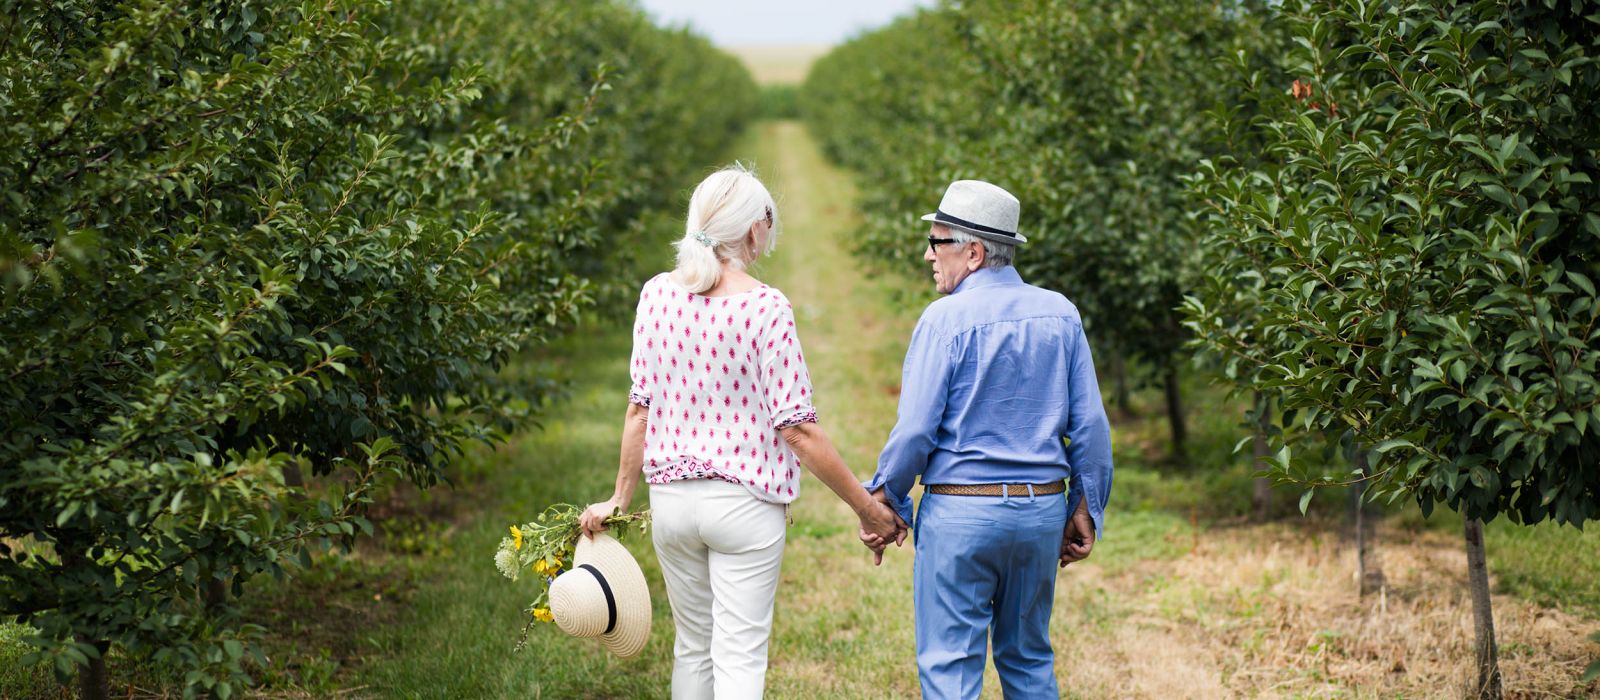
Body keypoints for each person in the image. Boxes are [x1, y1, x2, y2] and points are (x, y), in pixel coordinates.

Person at [579, 164, 903, 699]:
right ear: (754, 229)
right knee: (739, 657)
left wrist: (620, 497)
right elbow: (797, 429)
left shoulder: (656, 295)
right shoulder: (764, 307)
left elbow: (640, 409)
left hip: (672, 505)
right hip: (744, 506)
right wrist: (866, 507)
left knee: (693, 647)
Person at [861, 179, 1113, 700]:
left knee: (951, 667)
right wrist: (1087, 504)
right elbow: (1089, 425)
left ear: (972, 252)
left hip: (962, 517)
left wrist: (887, 499)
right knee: (1027, 659)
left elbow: (915, 430)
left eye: (937, 242)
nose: (928, 255)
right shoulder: (1061, 313)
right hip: (1039, 515)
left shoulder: (944, 320)